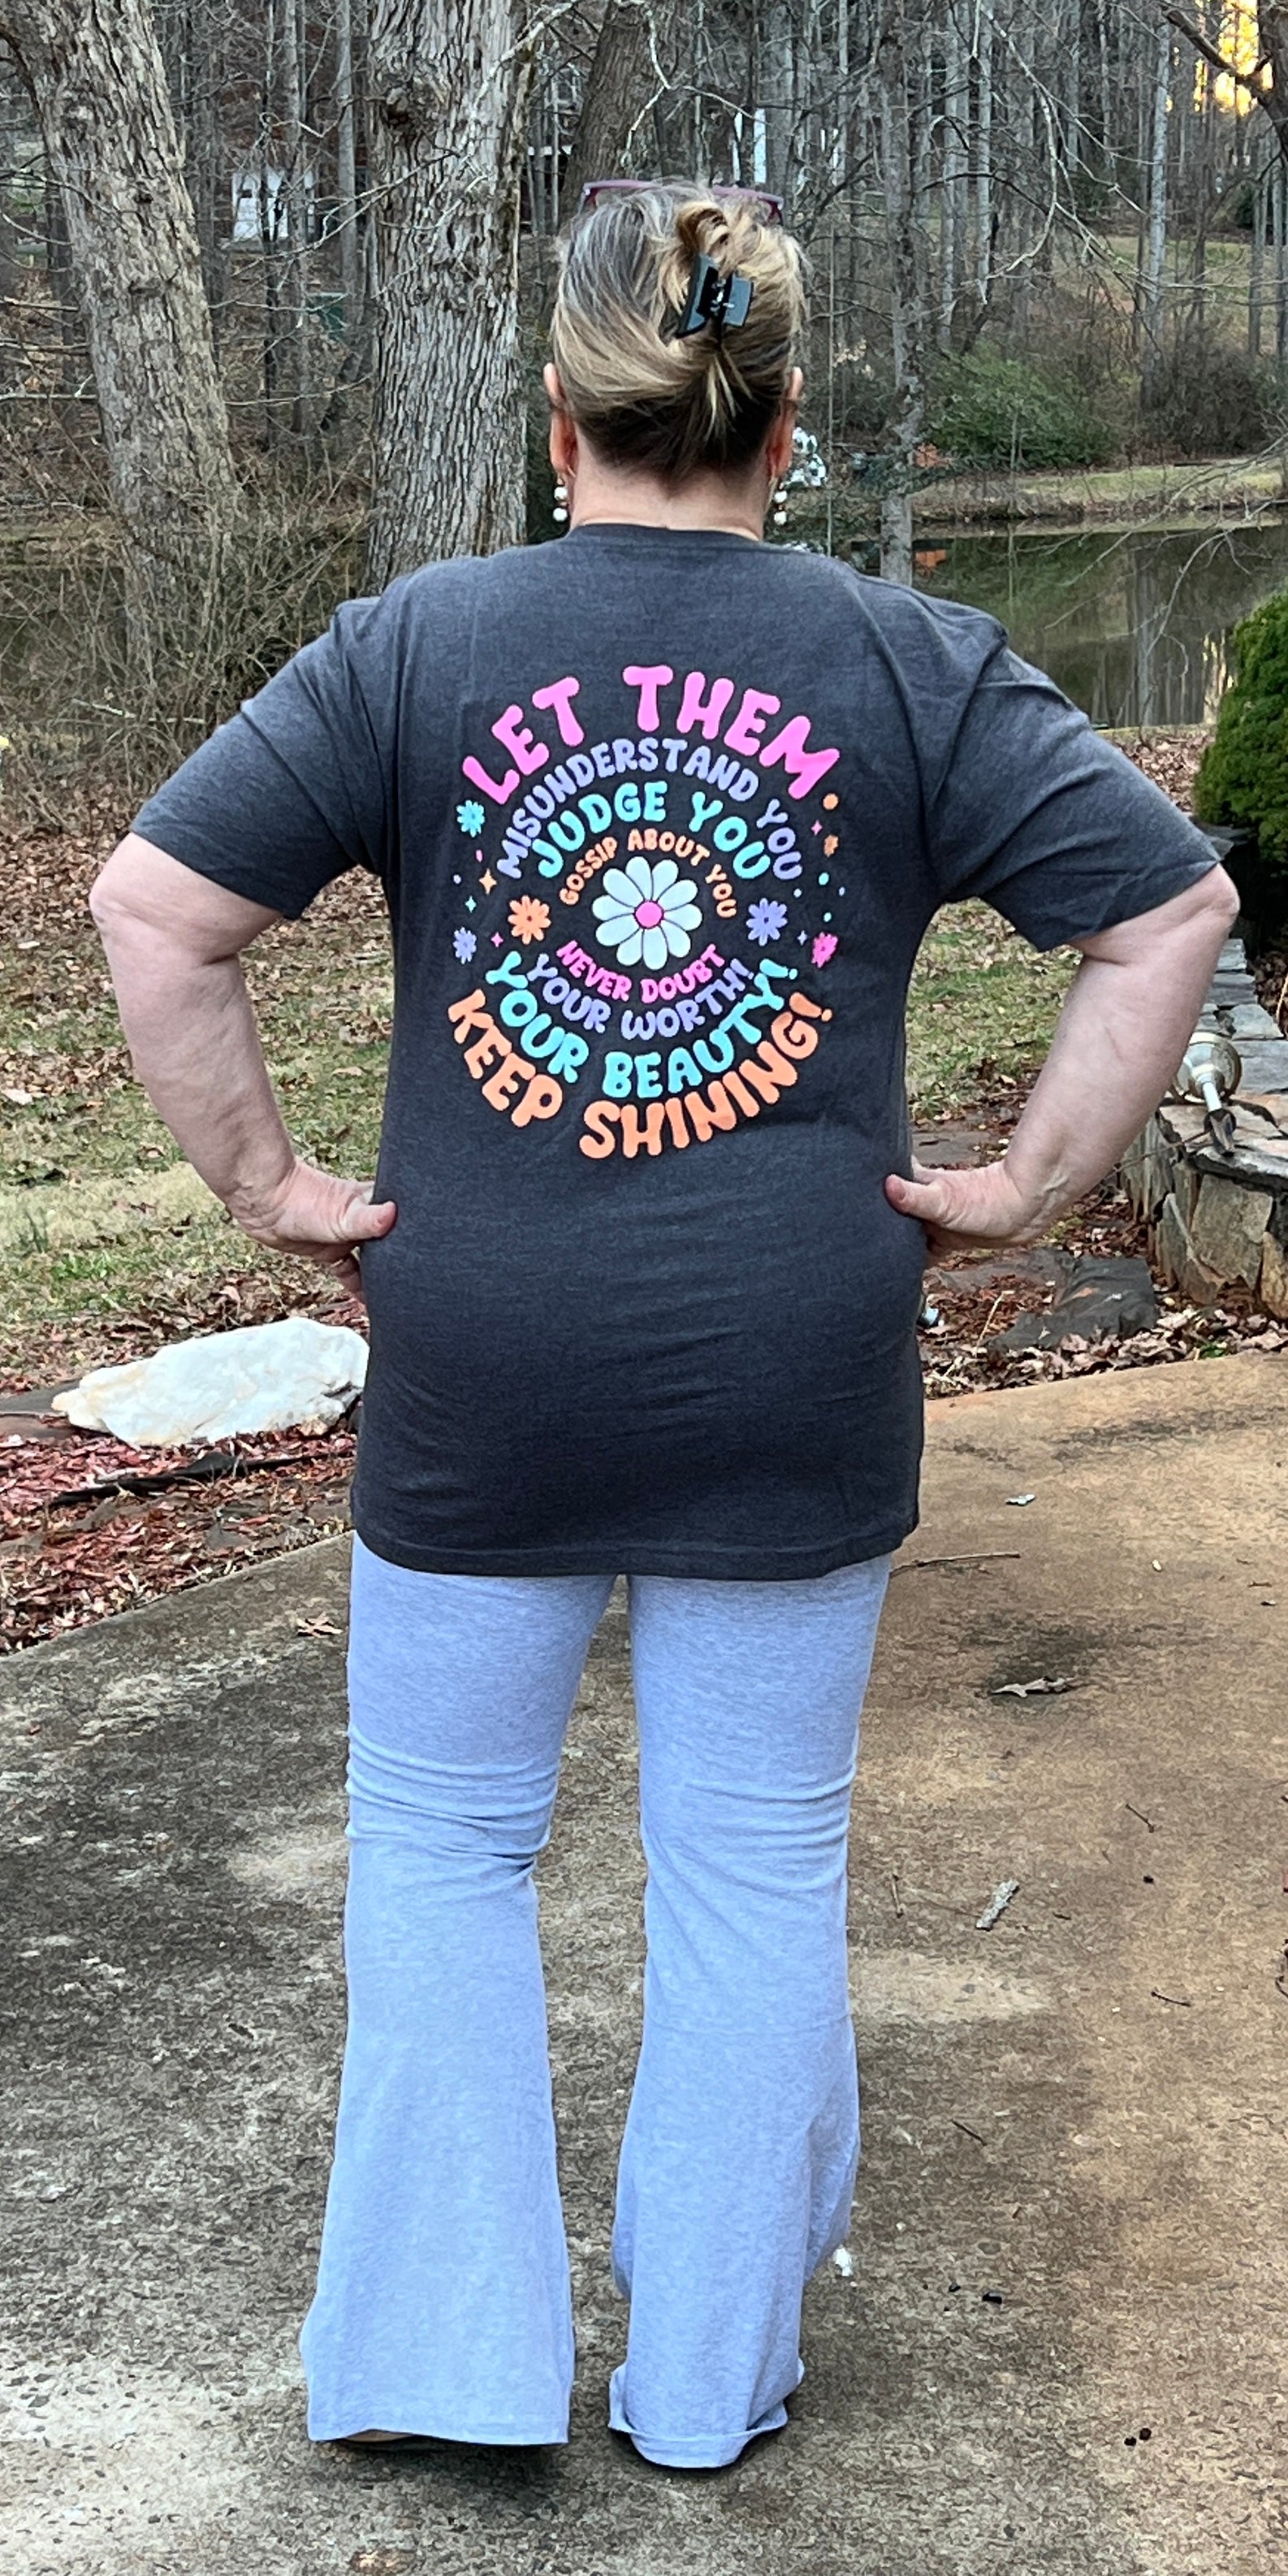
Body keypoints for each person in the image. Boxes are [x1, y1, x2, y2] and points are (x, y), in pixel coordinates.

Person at [89, 180, 1236, 2471]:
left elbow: (154, 911)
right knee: (752, 1858)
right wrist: (1025, 1184)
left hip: (481, 1353)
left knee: (440, 1849)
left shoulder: (415, 645)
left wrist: (275, 1193)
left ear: (559, 418)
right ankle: (708, 2382)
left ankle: (443, 2367)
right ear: (782, 426)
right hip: (796, 1353)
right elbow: (1168, 908)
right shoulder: (910, 660)